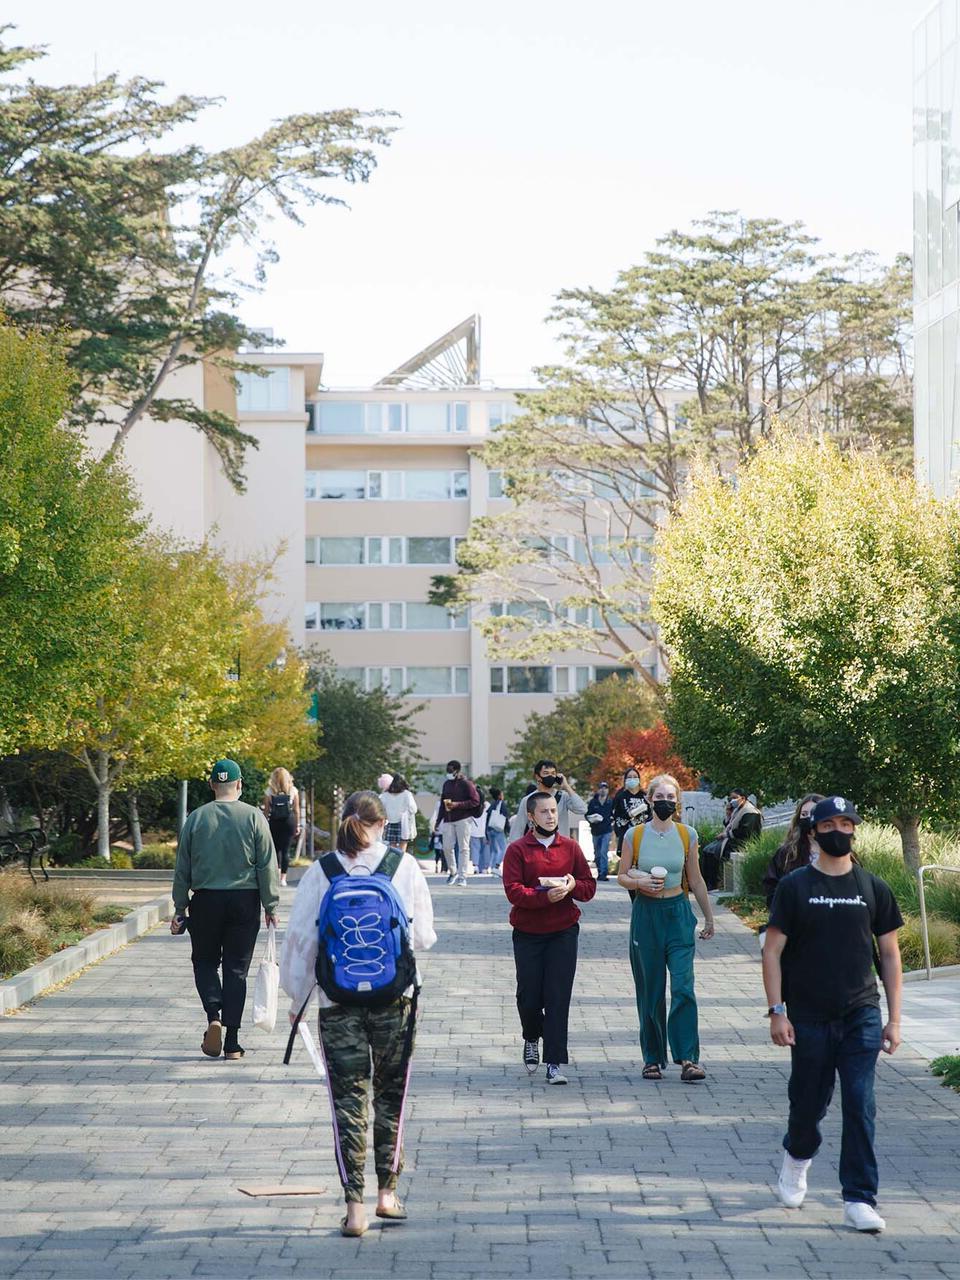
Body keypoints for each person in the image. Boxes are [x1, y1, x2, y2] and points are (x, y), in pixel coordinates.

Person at [280, 790, 436, 1237]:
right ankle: (388, 1194)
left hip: (337, 1002)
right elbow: (423, 936)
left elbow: (302, 942)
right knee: (392, 1096)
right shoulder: (403, 867)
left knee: (347, 1102)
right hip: (395, 1000)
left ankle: (354, 1209)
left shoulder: (322, 872)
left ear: (344, 819)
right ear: (382, 823)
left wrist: (296, 1000)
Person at [763, 795, 903, 1233]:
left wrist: (894, 1019)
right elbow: (772, 951)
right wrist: (776, 1012)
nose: (839, 831)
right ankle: (796, 1157)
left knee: (861, 1104)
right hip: (806, 1016)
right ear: (814, 834)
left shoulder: (872, 887)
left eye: (847, 823)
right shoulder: (795, 887)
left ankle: (859, 1198)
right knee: (809, 1103)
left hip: (860, 1011)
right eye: (830, 825)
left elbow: (890, 954)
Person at [171, 759, 279, 1061]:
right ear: (240, 784)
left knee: (204, 962)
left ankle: (213, 1015)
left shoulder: (195, 818)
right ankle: (232, 1042)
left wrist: (180, 907)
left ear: (210, 785)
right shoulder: (255, 817)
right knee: (236, 970)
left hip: (205, 900)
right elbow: (267, 864)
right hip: (245, 900)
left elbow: (183, 867)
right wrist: (271, 904)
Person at [617, 772, 715, 1082]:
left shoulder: (688, 835)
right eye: (659, 798)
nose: (664, 802)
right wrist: (640, 881)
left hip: (678, 913)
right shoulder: (634, 835)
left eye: (670, 798)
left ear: (677, 802)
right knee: (651, 990)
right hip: (647, 916)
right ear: (649, 800)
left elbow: (696, 879)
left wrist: (709, 917)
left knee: (683, 986)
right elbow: (622, 876)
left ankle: (688, 1058)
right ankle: (652, 1058)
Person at [502, 791, 596, 1084]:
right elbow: (513, 891)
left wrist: (570, 888)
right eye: (544, 812)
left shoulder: (570, 848)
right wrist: (545, 896)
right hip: (528, 932)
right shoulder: (518, 850)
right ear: (531, 817)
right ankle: (531, 1036)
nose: (551, 816)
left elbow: (588, 887)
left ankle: (554, 1061)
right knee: (529, 996)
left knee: (557, 997)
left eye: (553, 810)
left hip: (563, 932)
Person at [762, 794, 824, 909]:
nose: (808, 818)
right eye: (804, 814)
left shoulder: (841, 854)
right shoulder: (786, 854)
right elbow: (772, 888)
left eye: (813, 813)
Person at [508, 759, 588, 842]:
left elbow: (582, 809)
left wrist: (567, 787)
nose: (550, 776)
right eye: (546, 773)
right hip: (536, 848)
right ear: (538, 776)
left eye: (553, 773)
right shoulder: (528, 800)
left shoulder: (563, 797)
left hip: (560, 846)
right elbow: (517, 830)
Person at [700, 787, 763, 890]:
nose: (732, 800)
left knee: (712, 852)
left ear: (742, 798)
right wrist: (728, 814)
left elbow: (745, 832)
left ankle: (713, 884)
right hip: (732, 839)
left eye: (734, 797)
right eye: (730, 798)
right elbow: (729, 825)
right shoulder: (738, 810)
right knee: (706, 850)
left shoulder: (750, 811)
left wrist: (725, 835)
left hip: (742, 843)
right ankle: (706, 883)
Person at [439, 760, 481, 886]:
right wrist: (438, 820)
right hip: (448, 819)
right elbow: (442, 802)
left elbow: (475, 801)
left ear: (457, 770)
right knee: (447, 847)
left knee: (463, 848)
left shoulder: (466, 784)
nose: (448, 773)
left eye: (450, 770)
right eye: (447, 770)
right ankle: (453, 871)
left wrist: (458, 804)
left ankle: (463, 876)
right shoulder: (446, 784)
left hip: (463, 818)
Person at [263, 766, 300, 887]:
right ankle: (283, 878)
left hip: (275, 821)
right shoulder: (293, 790)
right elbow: (296, 810)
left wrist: (265, 823)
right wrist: (297, 825)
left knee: (275, 849)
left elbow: (267, 810)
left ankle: (277, 874)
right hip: (289, 822)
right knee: (286, 850)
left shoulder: (269, 791)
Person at [610, 767, 650, 859]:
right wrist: (633, 813)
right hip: (626, 835)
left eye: (635, 777)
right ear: (625, 780)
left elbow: (650, 815)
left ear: (639, 779)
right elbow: (616, 817)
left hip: (643, 836)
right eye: (630, 777)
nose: (632, 779)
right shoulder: (620, 796)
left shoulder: (645, 796)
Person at [379, 773, 419, 853]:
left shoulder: (385, 795)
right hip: (403, 823)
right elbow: (413, 809)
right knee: (403, 845)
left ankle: (393, 863)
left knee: (392, 846)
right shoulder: (407, 794)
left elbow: (380, 808)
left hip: (389, 822)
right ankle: (401, 863)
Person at [585, 781, 614, 880]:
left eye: (605, 788)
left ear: (608, 790)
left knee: (603, 851)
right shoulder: (593, 802)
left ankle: (603, 873)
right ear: (598, 789)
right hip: (595, 831)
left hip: (607, 830)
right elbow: (587, 815)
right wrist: (592, 819)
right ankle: (599, 871)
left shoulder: (610, 802)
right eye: (601, 787)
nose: (603, 789)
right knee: (597, 853)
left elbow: (614, 815)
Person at [486, 787, 510, 875]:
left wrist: (486, 832)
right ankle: (496, 866)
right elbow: (505, 818)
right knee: (503, 849)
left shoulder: (492, 805)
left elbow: (487, 819)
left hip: (490, 829)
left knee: (494, 850)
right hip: (498, 829)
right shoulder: (501, 804)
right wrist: (508, 830)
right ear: (500, 795)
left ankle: (492, 868)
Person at [469, 796, 490, 873]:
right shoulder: (487, 805)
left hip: (474, 830)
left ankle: (476, 867)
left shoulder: (472, 804)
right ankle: (485, 868)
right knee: (485, 850)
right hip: (485, 831)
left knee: (475, 849)